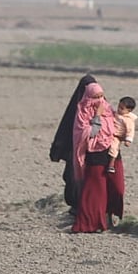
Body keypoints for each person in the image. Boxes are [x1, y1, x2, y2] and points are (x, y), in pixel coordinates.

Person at [70, 81, 116, 233]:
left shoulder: (108, 109)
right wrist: (97, 116)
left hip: (110, 153)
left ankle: (108, 219)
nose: (99, 100)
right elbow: (88, 133)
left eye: (102, 96)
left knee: (113, 189)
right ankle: (90, 223)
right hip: (94, 154)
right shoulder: (83, 112)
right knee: (95, 191)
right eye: (95, 97)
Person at [50, 74, 98, 214]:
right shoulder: (78, 109)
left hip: (94, 151)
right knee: (74, 178)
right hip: (79, 152)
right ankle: (78, 207)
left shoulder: (101, 108)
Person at [107, 96, 137, 175]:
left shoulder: (128, 120)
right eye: (119, 107)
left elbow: (130, 130)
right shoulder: (117, 113)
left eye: (122, 108)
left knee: (114, 147)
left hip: (117, 135)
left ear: (129, 110)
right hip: (110, 132)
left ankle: (111, 164)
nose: (119, 109)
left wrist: (128, 140)